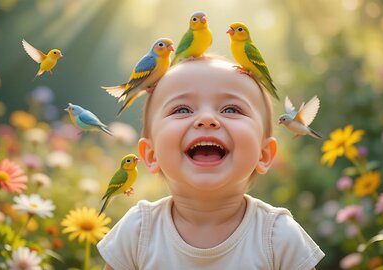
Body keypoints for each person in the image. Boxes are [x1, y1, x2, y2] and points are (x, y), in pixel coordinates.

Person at [97, 56, 325, 270]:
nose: (207, 119)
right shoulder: (137, 232)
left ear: (263, 154)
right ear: (151, 154)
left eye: (231, 109)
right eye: (182, 109)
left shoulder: (278, 237)